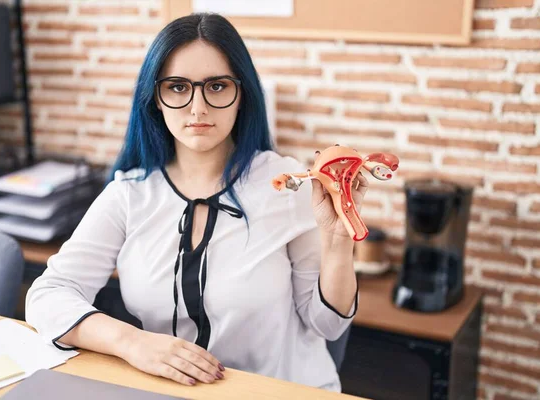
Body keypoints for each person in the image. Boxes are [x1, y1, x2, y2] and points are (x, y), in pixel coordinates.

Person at [25, 12, 367, 392]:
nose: (198, 108)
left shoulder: (285, 184)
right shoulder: (130, 194)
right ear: (155, 98)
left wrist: (338, 241)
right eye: (177, 87)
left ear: (243, 96)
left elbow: (328, 324)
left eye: (217, 87)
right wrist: (133, 343)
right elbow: (47, 296)